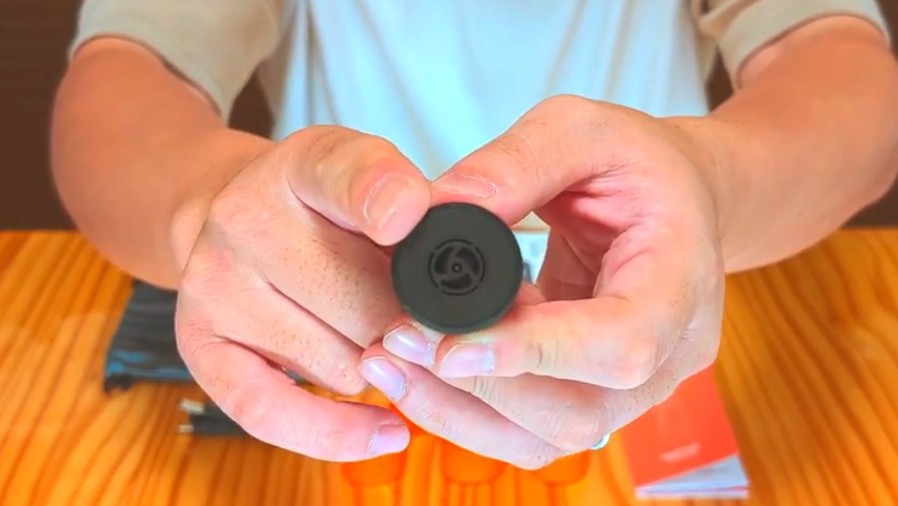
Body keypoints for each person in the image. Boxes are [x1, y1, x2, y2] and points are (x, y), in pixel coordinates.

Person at [51, 0, 897, 469]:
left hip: (657, 340)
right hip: (329, 352)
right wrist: (212, 207)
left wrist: (713, 185)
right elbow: (128, 72)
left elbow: (841, 62)